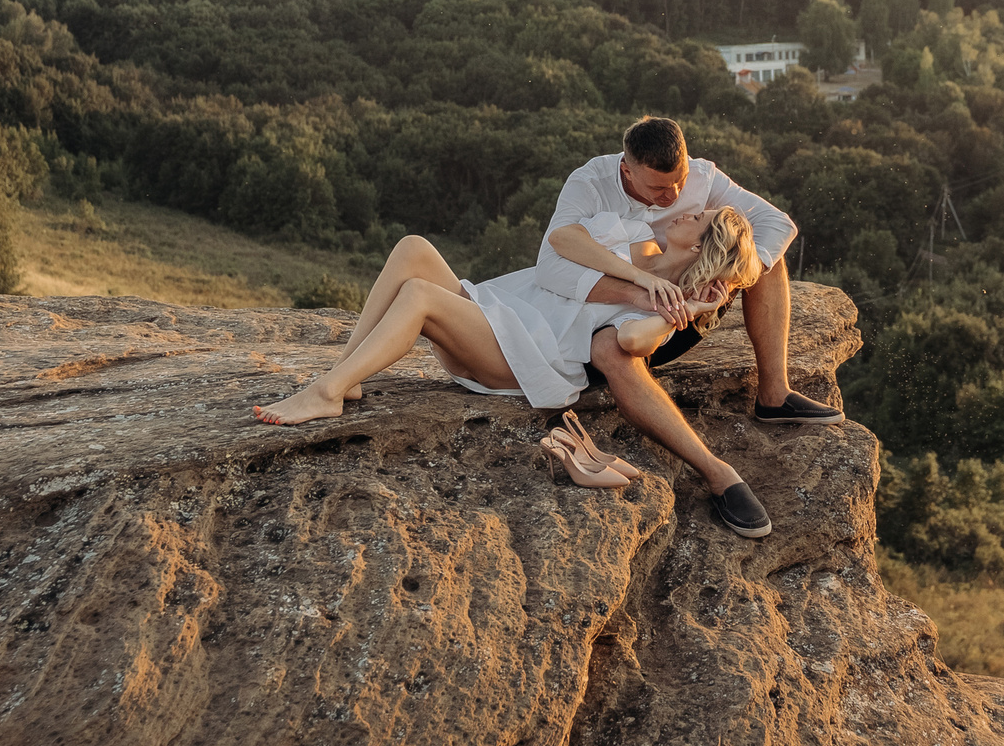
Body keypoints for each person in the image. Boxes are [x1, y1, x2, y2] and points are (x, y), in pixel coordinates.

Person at [252, 205, 777, 530]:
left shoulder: (665, 308)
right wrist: (636, 277)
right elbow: (563, 239)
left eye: (700, 219)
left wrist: (690, 304)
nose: (688, 211)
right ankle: (346, 375)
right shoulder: (634, 237)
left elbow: (633, 342)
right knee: (413, 250)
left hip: (517, 354)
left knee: (418, 295)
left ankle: (327, 392)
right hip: (493, 312)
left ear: (700, 247)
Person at [529, 116, 840, 538]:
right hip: (616, 311)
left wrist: (721, 277)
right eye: (659, 188)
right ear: (627, 170)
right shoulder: (590, 184)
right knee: (609, 348)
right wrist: (639, 293)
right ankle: (718, 473)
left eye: (679, 181)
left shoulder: (703, 176)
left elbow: (779, 223)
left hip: (687, 309)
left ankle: (774, 395)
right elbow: (550, 267)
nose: (674, 196)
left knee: (761, 257)